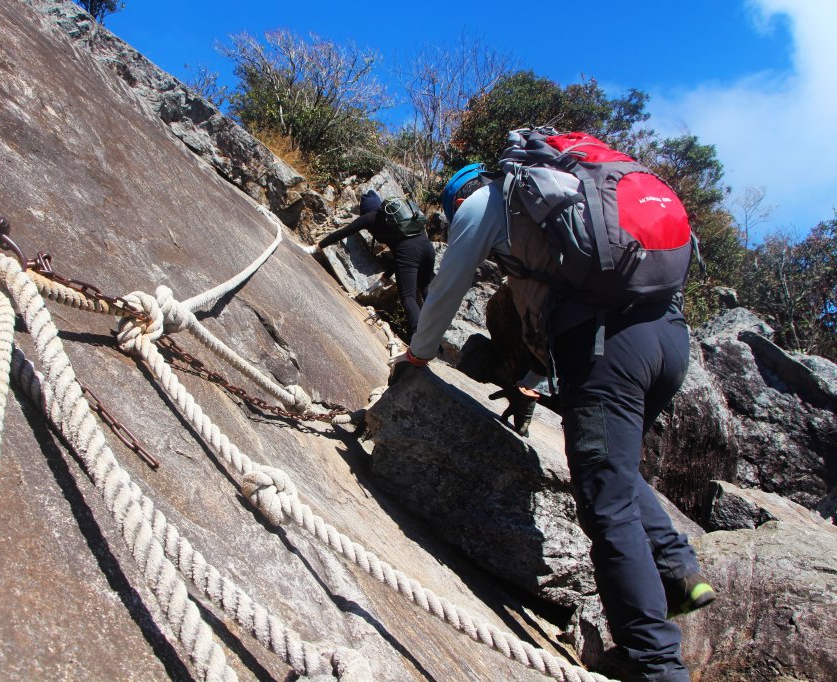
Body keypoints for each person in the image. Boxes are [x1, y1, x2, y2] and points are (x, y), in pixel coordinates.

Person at [390, 166, 716, 682]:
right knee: (617, 465)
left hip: (609, 345)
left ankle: (654, 663)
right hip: (670, 339)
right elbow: (548, 306)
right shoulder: (569, 208)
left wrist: (418, 356)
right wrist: (533, 378)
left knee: (604, 504)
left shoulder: (484, 205)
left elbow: (448, 287)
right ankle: (677, 571)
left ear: (460, 198)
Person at [306, 189, 435, 336]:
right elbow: (402, 254)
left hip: (409, 252)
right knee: (425, 286)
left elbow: (342, 233)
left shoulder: (369, 218)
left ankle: (419, 341)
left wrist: (317, 247)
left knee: (408, 297)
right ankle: (436, 330)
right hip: (427, 246)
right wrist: (385, 277)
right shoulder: (398, 224)